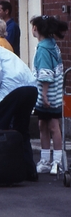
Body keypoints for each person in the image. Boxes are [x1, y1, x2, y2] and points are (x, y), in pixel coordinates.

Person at [0, 33, 39, 181]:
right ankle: (30, 171)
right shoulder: (6, 53)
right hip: (30, 89)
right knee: (22, 130)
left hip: (11, 90)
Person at [30, 15, 68, 175]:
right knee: (46, 125)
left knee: (51, 126)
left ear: (36, 29)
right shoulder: (52, 45)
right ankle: (49, 160)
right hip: (56, 93)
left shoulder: (43, 49)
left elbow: (45, 74)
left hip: (47, 95)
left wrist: (44, 95)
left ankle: (54, 161)